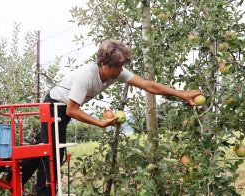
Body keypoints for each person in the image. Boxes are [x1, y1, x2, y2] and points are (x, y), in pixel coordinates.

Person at [18, 39, 202, 195]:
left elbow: (148, 85)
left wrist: (181, 94)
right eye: (118, 67)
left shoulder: (116, 73)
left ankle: (15, 176)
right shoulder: (86, 75)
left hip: (62, 108)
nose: (121, 71)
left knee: (42, 146)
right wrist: (100, 123)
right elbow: (72, 110)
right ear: (104, 64)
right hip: (53, 106)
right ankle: (43, 192)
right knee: (52, 153)